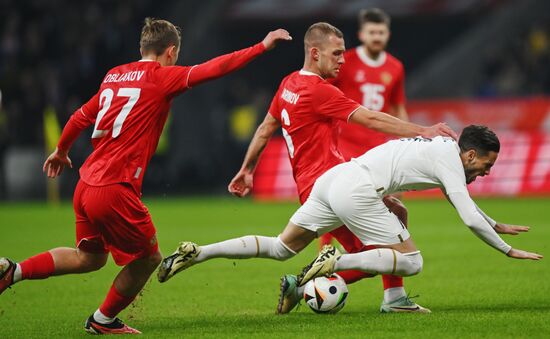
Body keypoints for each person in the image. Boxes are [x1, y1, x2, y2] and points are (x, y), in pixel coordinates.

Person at [0, 18, 291, 334]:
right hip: (113, 187)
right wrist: (261, 46)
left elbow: (79, 115)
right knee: (149, 258)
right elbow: (215, 68)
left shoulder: (114, 75)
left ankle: (13, 272)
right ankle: (103, 319)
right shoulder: (161, 77)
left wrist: (61, 150)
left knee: (89, 258)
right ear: (170, 52)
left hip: (85, 184)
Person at [157, 22, 456, 312]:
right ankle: (336, 290)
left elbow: (264, 129)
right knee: (376, 255)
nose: (342, 60)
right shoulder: (320, 91)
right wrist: (423, 130)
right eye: (336, 53)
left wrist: (247, 169)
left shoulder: (288, 84)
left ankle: (200, 252)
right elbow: (372, 118)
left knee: (280, 248)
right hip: (338, 184)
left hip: (309, 189)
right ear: (315, 53)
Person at [154, 125, 542, 314]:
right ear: (471, 155)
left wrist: (496, 223)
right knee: (412, 260)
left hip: (334, 179)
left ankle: (198, 252)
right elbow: (468, 218)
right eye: (487, 165)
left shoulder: (443, 151)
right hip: (357, 188)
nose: (488, 172)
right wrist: (507, 249)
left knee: (279, 247)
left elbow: (470, 208)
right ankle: (337, 262)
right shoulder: (450, 161)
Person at [319, 7, 412, 311]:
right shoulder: (344, 62)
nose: (376, 37)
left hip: (379, 153)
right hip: (345, 150)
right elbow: (325, 98)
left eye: (381, 32)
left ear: (387, 34)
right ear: (361, 34)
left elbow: (397, 107)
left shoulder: (395, 67)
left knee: (392, 216)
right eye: (371, 32)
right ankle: (327, 256)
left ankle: (391, 295)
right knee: (343, 213)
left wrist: (408, 141)